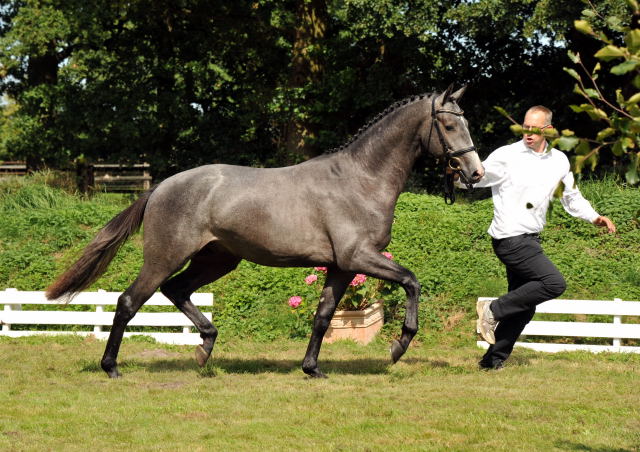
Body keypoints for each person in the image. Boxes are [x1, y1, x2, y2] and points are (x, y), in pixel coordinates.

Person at [461, 105, 616, 370]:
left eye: (535, 128)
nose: (528, 133)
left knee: (524, 306)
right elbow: (477, 177)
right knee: (553, 283)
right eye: (525, 127)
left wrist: (594, 217)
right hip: (510, 239)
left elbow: (571, 197)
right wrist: (458, 176)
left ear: (548, 130)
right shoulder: (507, 155)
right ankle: (493, 309)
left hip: (530, 239)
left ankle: (491, 362)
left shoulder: (559, 161)